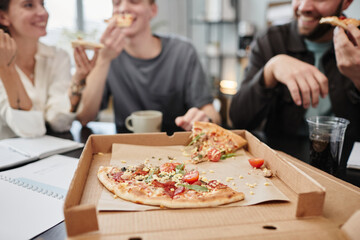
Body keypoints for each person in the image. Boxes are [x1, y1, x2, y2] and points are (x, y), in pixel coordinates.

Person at [229, 0, 360, 167]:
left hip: (346, 174)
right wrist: (270, 71)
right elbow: (238, 120)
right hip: (279, 168)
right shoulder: (270, 41)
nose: (304, 7)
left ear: (346, 2)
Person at [76, 0, 220, 134]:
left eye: (134, 1)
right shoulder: (107, 55)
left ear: (153, 10)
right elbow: (84, 117)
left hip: (177, 150)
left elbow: (210, 112)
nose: (123, 8)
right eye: (117, 3)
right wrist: (103, 60)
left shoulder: (183, 52)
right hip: (126, 151)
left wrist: (206, 120)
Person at [0, 0, 95, 139]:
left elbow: (59, 122)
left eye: (42, 4)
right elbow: (31, 130)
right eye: (28, 5)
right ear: (3, 17)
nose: (43, 13)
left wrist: (79, 78)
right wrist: (7, 69)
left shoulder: (58, 57)